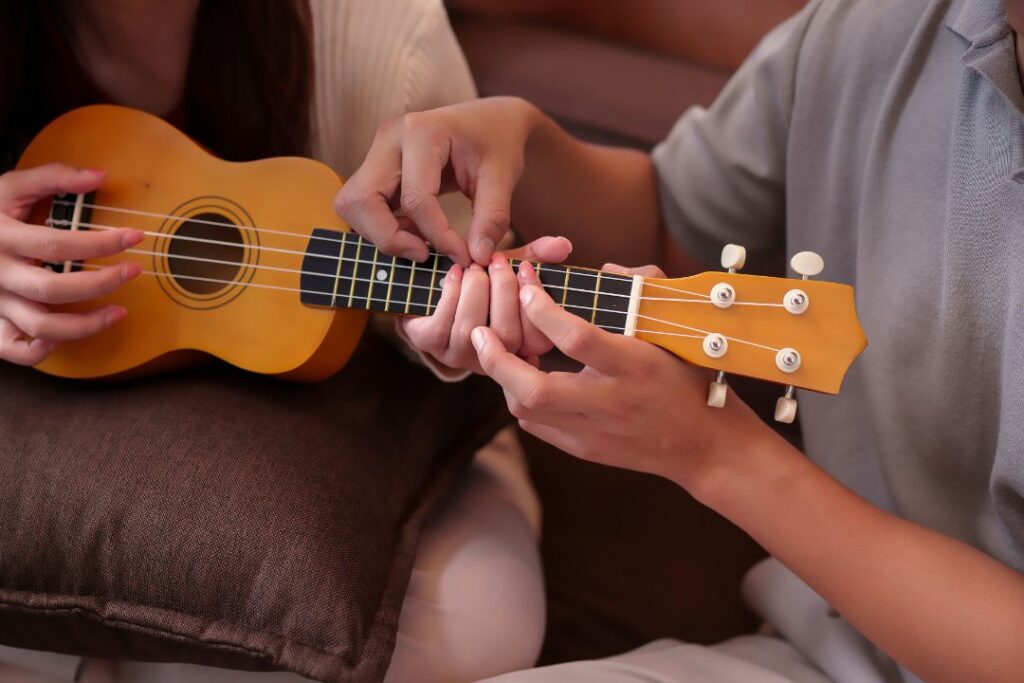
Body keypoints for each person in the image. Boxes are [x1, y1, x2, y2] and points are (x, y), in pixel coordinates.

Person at [336, 0, 1024, 681]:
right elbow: (675, 230)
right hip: (819, 658)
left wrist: (719, 456)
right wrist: (524, 141)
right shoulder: (878, 26)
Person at [0, 1, 548, 681]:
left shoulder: (383, 32)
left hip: (375, 426)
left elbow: (456, 272)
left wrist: (439, 331)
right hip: (61, 427)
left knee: (481, 626)